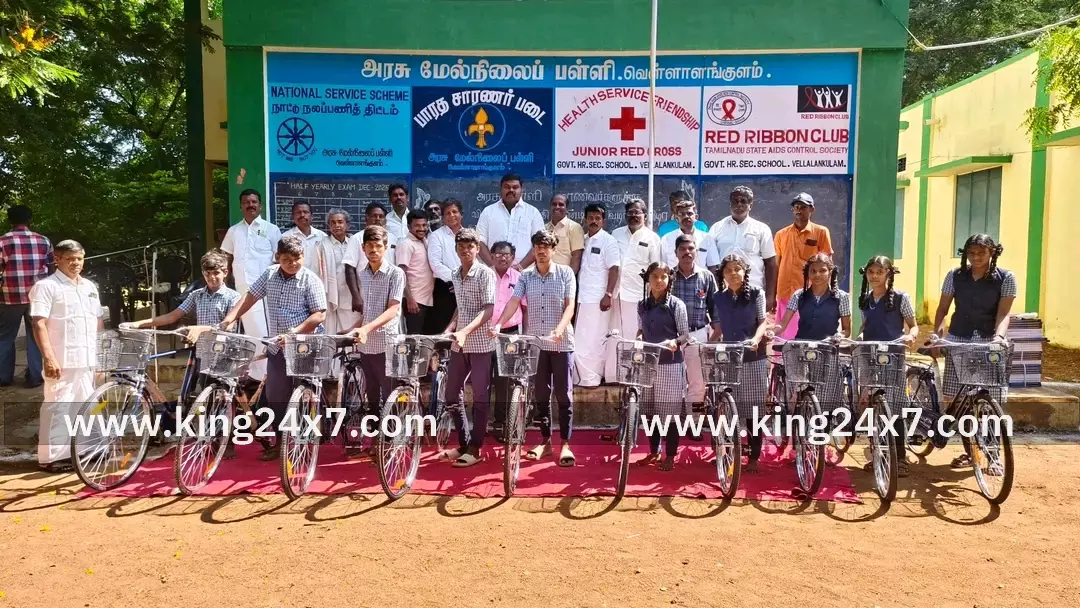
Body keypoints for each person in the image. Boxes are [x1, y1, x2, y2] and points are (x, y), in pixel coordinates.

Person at [219, 235, 327, 461]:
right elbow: (250, 297)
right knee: (276, 395)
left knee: (305, 394)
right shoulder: (269, 275)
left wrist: (294, 333)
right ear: (277, 257)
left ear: (303, 256)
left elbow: (319, 315)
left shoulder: (311, 280)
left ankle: (306, 441)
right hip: (277, 346)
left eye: (296, 258)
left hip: (304, 345)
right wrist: (230, 318)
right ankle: (280, 443)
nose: (292, 263)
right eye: (286, 259)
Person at [490, 229, 577, 467]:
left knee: (564, 393)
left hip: (561, 343)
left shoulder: (565, 273)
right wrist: (498, 324)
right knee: (540, 394)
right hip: (536, 345)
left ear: (553, 249)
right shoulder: (526, 276)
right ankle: (545, 442)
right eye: (538, 247)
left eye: (545, 247)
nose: (541, 251)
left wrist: (560, 329)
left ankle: (565, 443)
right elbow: (514, 302)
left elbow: (570, 306)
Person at [931, 233, 1016, 468]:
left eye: (981, 253)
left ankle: (993, 455)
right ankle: (971, 452)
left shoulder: (1006, 278)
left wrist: (999, 337)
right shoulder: (955, 276)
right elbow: (943, 309)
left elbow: (1004, 313)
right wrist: (938, 336)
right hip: (959, 337)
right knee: (959, 400)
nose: (976, 257)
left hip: (989, 340)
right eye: (971, 253)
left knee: (990, 401)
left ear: (992, 253)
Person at [30, 240, 103, 472]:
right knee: (58, 407)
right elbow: (38, 323)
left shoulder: (89, 286)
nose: (75, 263)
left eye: (79, 258)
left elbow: (98, 322)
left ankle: (87, 449)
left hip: (87, 357)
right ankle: (52, 457)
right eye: (69, 259)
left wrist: (101, 357)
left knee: (88, 403)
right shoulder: (46, 286)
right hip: (61, 358)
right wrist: (48, 357)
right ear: (57, 259)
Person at [438, 228, 497, 467]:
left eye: (470, 247)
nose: (465, 250)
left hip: (481, 343)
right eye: (461, 247)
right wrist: (451, 327)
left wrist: (465, 331)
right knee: (452, 395)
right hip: (459, 344)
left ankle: (476, 447)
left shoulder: (486, 273)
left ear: (477, 248)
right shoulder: (455, 273)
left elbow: (488, 309)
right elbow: (461, 307)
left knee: (480, 397)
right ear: (456, 249)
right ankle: (464, 443)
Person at [856, 255, 918, 478]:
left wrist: (910, 336)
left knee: (895, 407)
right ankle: (877, 453)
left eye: (879, 272)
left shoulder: (901, 298)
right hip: (869, 355)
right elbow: (865, 326)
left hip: (893, 356)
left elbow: (913, 326)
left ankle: (900, 457)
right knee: (873, 405)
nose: (874, 276)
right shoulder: (865, 299)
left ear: (888, 274)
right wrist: (859, 337)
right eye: (871, 272)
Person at [709, 254, 769, 473]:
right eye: (728, 270)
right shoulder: (718, 297)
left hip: (753, 356)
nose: (733, 273)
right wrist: (708, 344)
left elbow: (762, 322)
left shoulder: (757, 293)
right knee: (727, 407)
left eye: (737, 269)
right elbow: (720, 328)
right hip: (729, 358)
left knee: (754, 410)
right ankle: (727, 451)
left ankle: (753, 456)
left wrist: (756, 339)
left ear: (745, 272)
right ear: (722, 275)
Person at [774, 253, 851, 413]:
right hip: (800, 349)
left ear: (830, 272)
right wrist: (771, 331)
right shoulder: (799, 295)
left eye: (822, 270)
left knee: (826, 397)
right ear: (807, 273)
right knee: (797, 391)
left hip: (827, 350)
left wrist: (840, 336)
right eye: (813, 271)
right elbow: (783, 323)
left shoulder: (841, 297)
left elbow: (847, 329)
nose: (817, 275)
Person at [220, 188, 281, 380]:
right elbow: (226, 258)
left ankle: (269, 375)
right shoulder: (234, 231)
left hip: (266, 290)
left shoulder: (271, 229)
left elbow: (279, 259)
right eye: (246, 202)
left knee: (267, 331)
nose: (250, 205)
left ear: (260, 205)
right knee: (252, 332)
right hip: (243, 288)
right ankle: (258, 376)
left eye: (254, 202)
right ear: (241, 206)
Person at [345, 225, 406, 418]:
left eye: (378, 246)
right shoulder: (363, 273)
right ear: (363, 248)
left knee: (389, 394)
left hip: (386, 342)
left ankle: (390, 434)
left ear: (386, 248)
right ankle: (373, 431)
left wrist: (366, 329)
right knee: (371, 394)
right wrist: (352, 329)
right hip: (366, 345)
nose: (374, 250)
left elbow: (393, 309)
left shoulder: (396, 273)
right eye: (369, 246)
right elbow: (369, 312)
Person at [636, 261, 689, 471]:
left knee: (670, 412)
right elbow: (641, 330)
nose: (659, 281)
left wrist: (675, 341)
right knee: (650, 411)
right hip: (648, 363)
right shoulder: (642, 305)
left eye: (663, 277)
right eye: (655, 276)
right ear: (648, 279)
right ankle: (654, 450)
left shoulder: (677, 305)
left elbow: (685, 334)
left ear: (669, 279)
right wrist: (638, 338)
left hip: (670, 364)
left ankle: (670, 455)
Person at [0, 205, 52, 388]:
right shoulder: (44, 241)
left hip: (9, 297)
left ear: (10, 220)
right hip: (38, 297)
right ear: (30, 219)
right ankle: (35, 377)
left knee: (5, 336)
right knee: (37, 334)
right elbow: (51, 267)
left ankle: (3, 377)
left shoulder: (2, 241)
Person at [706, 186, 778, 313]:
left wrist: (770, 296)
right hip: (724, 292)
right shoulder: (717, 228)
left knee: (753, 325)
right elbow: (712, 264)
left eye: (743, 201)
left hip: (753, 290)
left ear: (750, 205)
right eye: (735, 201)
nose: (739, 204)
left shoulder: (761, 229)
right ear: (730, 204)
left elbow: (771, 263)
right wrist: (716, 291)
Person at [774, 193, 833, 339]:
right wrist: (773, 293)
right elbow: (776, 265)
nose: (799, 210)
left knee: (806, 333)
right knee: (783, 335)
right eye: (796, 207)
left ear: (812, 209)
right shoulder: (781, 234)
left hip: (809, 293)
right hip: (784, 291)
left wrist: (828, 292)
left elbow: (828, 264)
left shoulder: (821, 232)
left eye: (803, 207)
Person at [671, 234, 718, 417]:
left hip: (697, 335)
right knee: (673, 383)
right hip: (672, 337)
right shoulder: (668, 276)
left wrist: (714, 337)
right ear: (676, 252)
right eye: (682, 249)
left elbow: (715, 309)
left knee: (698, 383)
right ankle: (672, 423)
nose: (687, 252)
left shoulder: (706, 277)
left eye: (691, 248)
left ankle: (694, 422)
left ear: (696, 251)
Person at [574, 203, 620, 387]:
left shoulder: (608, 241)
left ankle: (592, 378)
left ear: (603, 221)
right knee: (581, 339)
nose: (594, 221)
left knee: (596, 338)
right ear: (585, 220)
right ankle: (580, 377)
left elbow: (614, 268)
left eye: (597, 218)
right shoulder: (582, 240)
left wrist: (608, 294)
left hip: (598, 299)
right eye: (590, 218)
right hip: (581, 298)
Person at [489, 240, 527, 441]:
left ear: (513, 258)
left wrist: (525, 336)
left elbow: (525, 308)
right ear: (492, 255)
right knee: (483, 378)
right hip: (485, 332)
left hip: (510, 333)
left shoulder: (520, 278)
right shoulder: (485, 275)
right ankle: (483, 422)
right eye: (499, 254)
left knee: (505, 379)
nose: (503, 257)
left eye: (507, 255)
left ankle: (503, 422)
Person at [612, 198, 662, 341]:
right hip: (616, 294)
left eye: (637, 212)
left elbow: (655, 268)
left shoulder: (652, 238)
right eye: (630, 212)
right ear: (625, 215)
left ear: (645, 216)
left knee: (635, 333)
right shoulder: (616, 234)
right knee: (615, 334)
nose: (633, 215)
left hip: (638, 294)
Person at [476, 173, 545, 267]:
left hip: (525, 272)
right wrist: (494, 267)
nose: (511, 190)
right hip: (492, 272)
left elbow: (539, 244)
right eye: (507, 187)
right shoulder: (488, 212)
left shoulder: (533, 213)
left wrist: (519, 268)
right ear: (500, 189)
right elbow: (480, 242)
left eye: (515, 187)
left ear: (522, 190)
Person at [343, 203, 397, 316]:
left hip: (389, 292)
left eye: (381, 216)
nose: (377, 219)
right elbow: (349, 268)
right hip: (366, 293)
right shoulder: (357, 238)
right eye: (374, 216)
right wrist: (356, 296)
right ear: (366, 218)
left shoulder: (393, 238)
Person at [315, 208, 361, 335]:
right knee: (330, 331)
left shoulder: (354, 243)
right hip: (329, 293)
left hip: (350, 295)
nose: (336, 225)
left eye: (340, 222)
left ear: (347, 225)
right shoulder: (321, 245)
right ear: (329, 226)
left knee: (349, 332)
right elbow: (317, 271)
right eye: (333, 222)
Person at [426, 199, 462, 335]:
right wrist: (457, 279)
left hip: (468, 286)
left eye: (455, 212)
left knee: (464, 327)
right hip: (446, 288)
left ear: (461, 214)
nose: (451, 215)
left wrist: (464, 280)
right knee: (444, 330)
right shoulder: (436, 236)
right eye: (447, 213)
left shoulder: (469, 234)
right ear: (443, 216)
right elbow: (435, 265)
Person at [396, 211, 435, 334]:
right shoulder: (406, 244)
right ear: (409, 227)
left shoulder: (424, 241)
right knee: (414, 338)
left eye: (424, 225)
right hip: (414, 301)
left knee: (423, 339)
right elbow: (401, 274)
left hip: (426, 299)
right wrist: (410, 299)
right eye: (417, 225)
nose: (422, 229)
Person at [660, 200, 715, 267]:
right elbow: (663, 267)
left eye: (689, 213)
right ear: (677, 218)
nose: (686, 216)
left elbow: (713, 266)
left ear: (696, 217)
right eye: (682, 214)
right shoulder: (666, 239)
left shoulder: (707, 239)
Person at [545, 193, 585, 274]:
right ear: (550, 207)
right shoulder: (544, 228)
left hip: (564, 276)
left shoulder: (574, 227)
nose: (557, 207)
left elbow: (576, 257)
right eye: (554, 204)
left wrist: (569, 278)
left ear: (567, 209)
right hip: (545, 276)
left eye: (561, 205)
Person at [282, 200, 327, 271]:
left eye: (305, 212)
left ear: (312, 216)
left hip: (317, 277)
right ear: (292, 217)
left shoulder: (322, 237)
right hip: (295, 277)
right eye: (298, 212)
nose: (302, 215)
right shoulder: (285, 237)